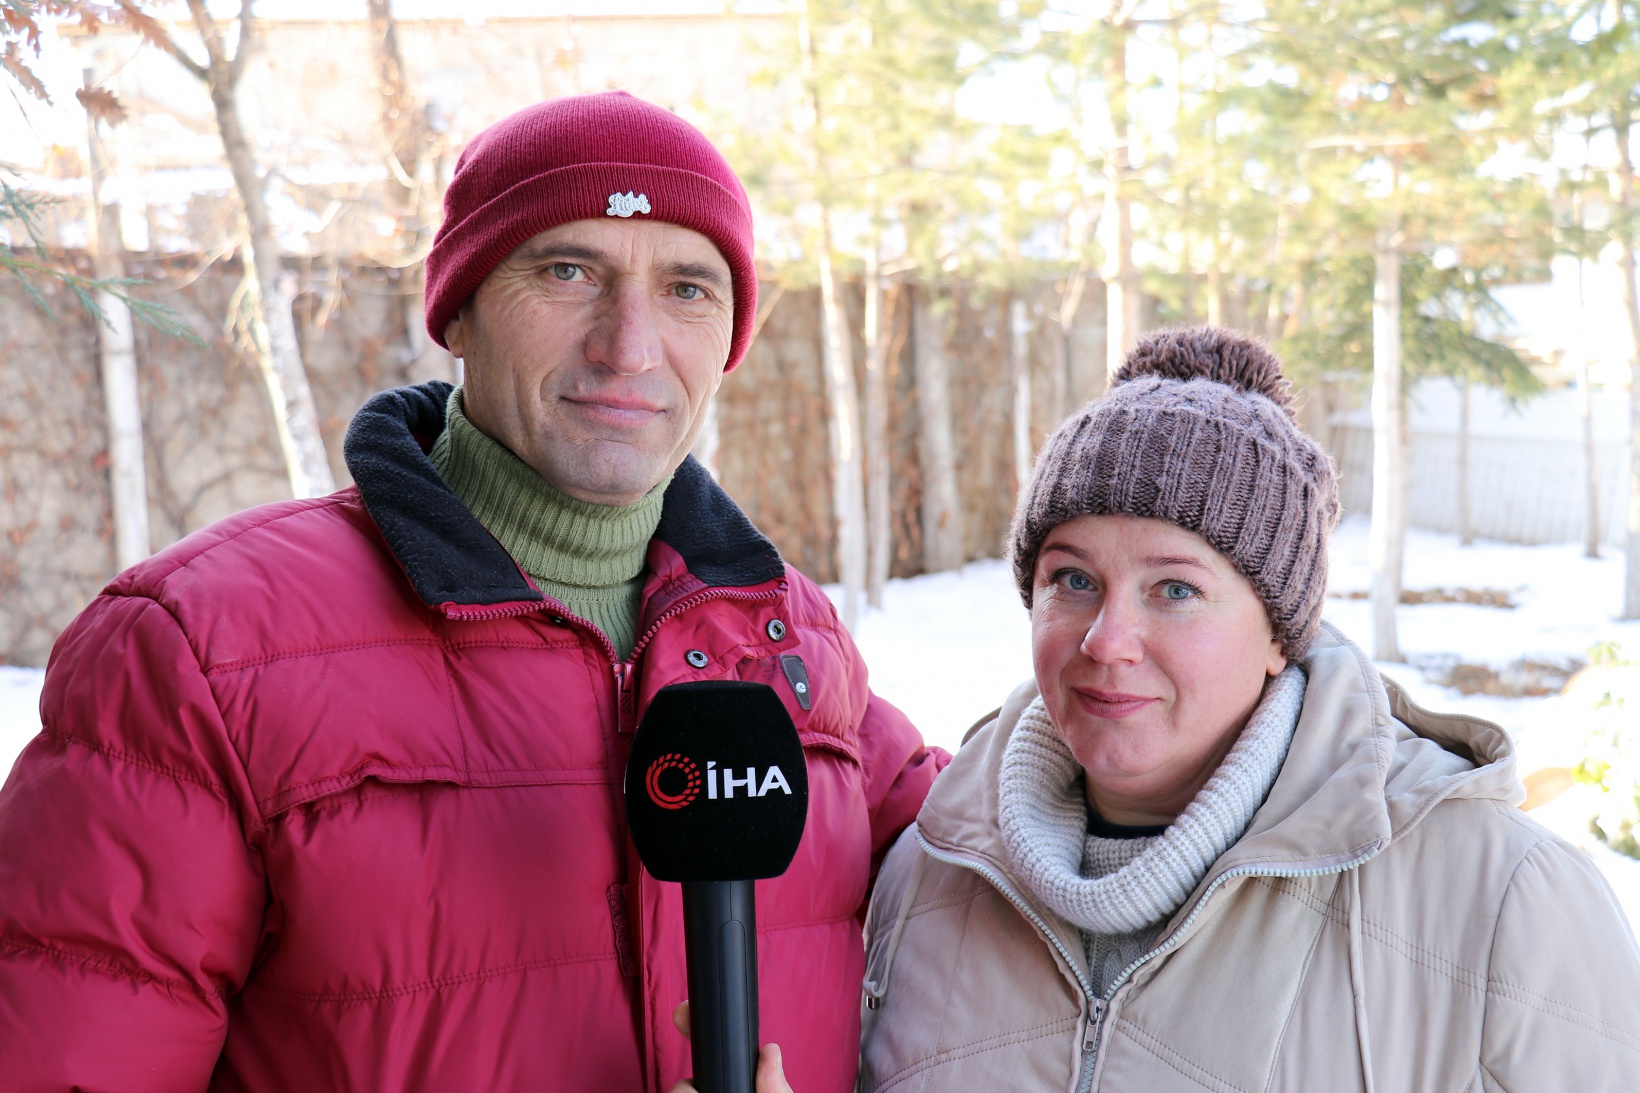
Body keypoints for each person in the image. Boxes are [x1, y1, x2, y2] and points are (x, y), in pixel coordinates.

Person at [0, 91, 944, 1092]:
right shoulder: (201, 652)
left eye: (686, 288)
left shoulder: (791, 640)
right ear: (457, 309)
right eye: (566, 271)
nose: (628, 345)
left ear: (728, 340)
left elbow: (1024, 872)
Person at [857, 327, 1640, 1092]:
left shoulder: (1503, 901)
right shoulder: (930, 866)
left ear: (1278, 634)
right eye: (1073, 579)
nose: (1108, 640)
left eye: (1176, 589)